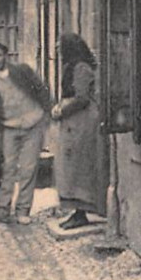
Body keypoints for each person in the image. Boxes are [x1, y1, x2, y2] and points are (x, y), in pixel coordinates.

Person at [0, 42, 51, 225]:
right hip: (9, 128)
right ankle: (3, 208)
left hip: (33, 124)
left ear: (6, 55)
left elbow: (42, 89)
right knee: (8, 168)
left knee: (28, 168)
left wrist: (46, 114)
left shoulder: (22, 71)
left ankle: (23, 210)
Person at [50, 33, 104, 230]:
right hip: (72, 121)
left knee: (77, 166)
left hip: (81, 122)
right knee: (69, 165)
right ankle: (75, 210)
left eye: (60, 44)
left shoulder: (81, 67)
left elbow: (82, 98)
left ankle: (81, 212)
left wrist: (62, 109)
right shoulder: (71, 66)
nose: (57, 47)